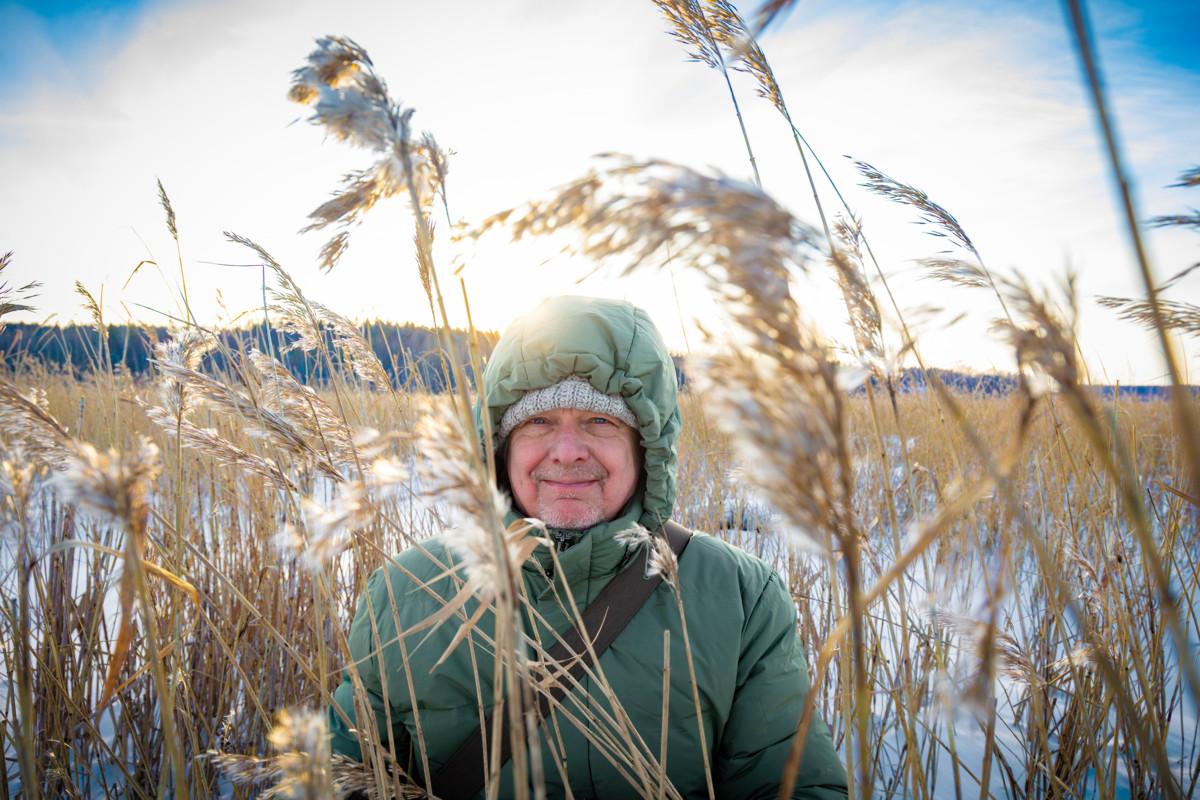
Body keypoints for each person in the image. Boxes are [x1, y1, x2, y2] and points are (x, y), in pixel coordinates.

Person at [329, 295, 848, 799]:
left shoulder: (738, 596)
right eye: (539, 421)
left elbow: (790, 784)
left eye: (600, 421)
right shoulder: (407, 593)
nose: (569, 452)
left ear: (647, 447)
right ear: (501, 446)